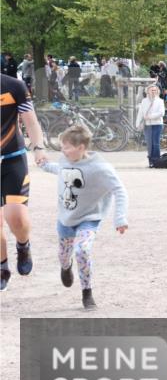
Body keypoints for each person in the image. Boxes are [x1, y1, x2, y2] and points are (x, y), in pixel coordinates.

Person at [38, 124, 128, 310]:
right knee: (64, 255)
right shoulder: (65, 160)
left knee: (82, 250)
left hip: (89, 218)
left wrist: (120, 218)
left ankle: (87, 292)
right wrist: (45, 165)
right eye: (62, 146)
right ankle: (66, 266)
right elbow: (60, 170)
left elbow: (119, 190)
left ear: (81, 148)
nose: (63, 150)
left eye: (67, 147)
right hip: (66, 219)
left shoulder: (100, 168)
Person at [0, 73, 47, 292]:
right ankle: (2, 267)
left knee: (15, 217)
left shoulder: (13, 86)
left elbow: (31, 121)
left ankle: (23, 244)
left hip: (12, 159)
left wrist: (38, 147)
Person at [135, 84, 165, 167]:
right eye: (152, 90)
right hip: (147, 125)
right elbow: (140, 113)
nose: (153, 92)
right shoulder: (144, 101)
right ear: (148, 91)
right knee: (149, 143)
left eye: (155, 90)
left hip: (157, 124)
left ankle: (157, 161)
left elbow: (161, 113)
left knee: (156, 143)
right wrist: (137, 124)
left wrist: (150, 116)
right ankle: (151, 161)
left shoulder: (160, 101)